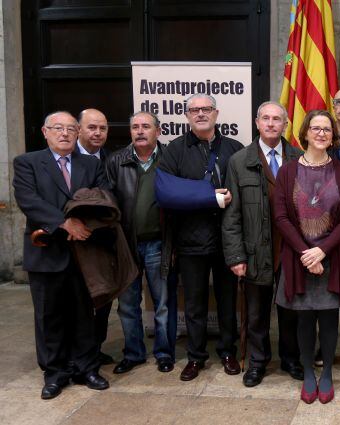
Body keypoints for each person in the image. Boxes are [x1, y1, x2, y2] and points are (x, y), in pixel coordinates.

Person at [13, 111, 111, 399]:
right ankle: (55, 373)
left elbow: (103, 195)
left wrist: (84, 221)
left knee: (84, 314)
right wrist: (64, 222)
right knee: (49, 316)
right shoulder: (28, 163)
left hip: (83, 253)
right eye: (59, 128)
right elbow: (29, 200)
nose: (65, 133)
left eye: (71, 129)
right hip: (46, 251)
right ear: (45, 132)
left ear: (77, 132)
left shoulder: (91, 163)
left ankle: (86, 368)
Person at [272, 110, 340, 404]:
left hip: (333, 256)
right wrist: (306, 253)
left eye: (326, 129)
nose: (321, 133)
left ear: (333, 135)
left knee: (329, 317)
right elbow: (281, 216)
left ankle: (327, 374)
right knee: (305, 319)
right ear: (305, 133)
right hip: (298, 256)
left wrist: (322, 250)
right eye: (315, 128)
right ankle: (309, 373)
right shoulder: (287, 171)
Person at [157, 93, 244, 381]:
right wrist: (209, 197)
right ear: (187, 116)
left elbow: (245, 192)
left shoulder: (234, 148)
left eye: (206, 109)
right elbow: (166, 193)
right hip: (191, 241)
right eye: (194, 110)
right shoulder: (174, 150)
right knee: (193, 303)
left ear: (216, 113)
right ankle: (195, 357)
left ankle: (228, 351)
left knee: (228, 301)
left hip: (228, 240)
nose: (200, 113)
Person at [222, 101, 303, 387]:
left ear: (285, 125)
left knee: (291, 310)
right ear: (257, 123)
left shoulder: (299, 158)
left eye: (277, 119)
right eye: (265, 118)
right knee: (255, 314)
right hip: (254, 251)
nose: (271, 124)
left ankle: (292, 359)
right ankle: (257, 363)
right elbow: (231, 216)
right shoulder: (239, 161)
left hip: (290, 251)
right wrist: (235, 256)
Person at [106, 111, 177, 375]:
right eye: (135, 126)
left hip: (159, 244)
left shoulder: (170, 157)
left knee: (162, 304)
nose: (139, 131)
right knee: (127, 305)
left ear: (158, 131)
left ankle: (164, 353)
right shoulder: (116, 161)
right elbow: (107, 201)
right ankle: (134, 353)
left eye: (146, 126)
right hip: (125, 245)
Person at [78, 108, 114, 365]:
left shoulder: (110, 159)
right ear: (78, 129)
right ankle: (76, 355)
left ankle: (94, 350)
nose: (97, 133)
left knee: (103, 300)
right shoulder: (65, 159)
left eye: (102, 128)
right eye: (91, 127)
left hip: (102, 242)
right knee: (77, 303)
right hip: (73, 241)